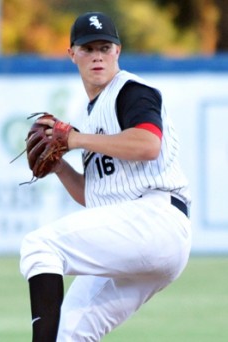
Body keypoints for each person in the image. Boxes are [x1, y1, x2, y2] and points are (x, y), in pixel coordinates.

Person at [20, 11, 192, 342]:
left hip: (157, 219)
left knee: (39, 245)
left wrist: (74, 140)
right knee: (69, 333)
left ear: (118, 50)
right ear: (72, 54)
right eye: (88, 48)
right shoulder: (92, 115)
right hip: (139, 234)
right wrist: (59, 167)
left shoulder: (131, 91)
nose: (97, 55)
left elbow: (148, 145)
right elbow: (94, 196)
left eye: (105, 47)